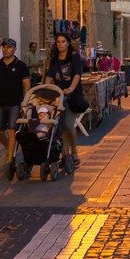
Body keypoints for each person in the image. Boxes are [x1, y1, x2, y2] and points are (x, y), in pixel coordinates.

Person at [0, 38, 30, 167]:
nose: (6, 49)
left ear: (14, 50)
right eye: (4, 47)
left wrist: (25, 102)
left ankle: (10, 159)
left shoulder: (20, 65)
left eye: (9, 47)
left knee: (11, 130)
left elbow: (26, 84)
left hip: (15, 103)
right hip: (0, 103)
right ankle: (7, 147)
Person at [45, 32, 86, 167]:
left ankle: (74, 151)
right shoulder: (55, 59)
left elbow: (76, 75)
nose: (61, 44)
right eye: (58, 42)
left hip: (71, 96)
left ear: (68, 43)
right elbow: (49, 76)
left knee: (68, 124)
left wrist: (71, 89)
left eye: (63, 41)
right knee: (60, 127)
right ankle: (65, 154)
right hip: (58, 96)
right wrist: (47, 89)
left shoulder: (74, 57)